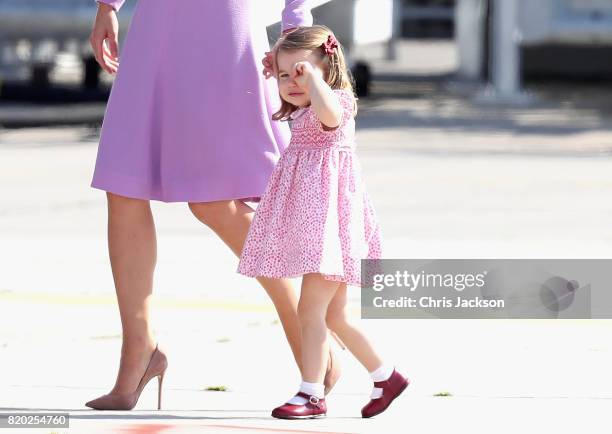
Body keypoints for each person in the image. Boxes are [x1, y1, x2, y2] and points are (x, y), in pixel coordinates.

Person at [85, 0, 341, 410]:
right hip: (156, 21)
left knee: (216, 202)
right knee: (124, 182)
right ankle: (139, 352)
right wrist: (108, 4)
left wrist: (295, 28)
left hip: (223, 24)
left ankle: (309, 331)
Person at [238, 26, 409, 419]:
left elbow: (330, 112)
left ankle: (311, 393)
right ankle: (387, 376)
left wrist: (312, 80)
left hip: (331, 229)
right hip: (315, 226)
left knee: (310, 310)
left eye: (300, 73)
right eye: (284, 76)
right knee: (334, 315)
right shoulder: (299, 110)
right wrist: (282, 70)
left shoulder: (338, 104)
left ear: (326, 70)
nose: (291, 83)